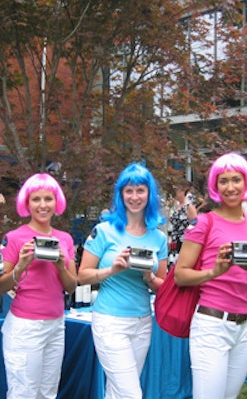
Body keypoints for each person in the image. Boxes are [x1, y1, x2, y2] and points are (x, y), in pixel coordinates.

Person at [174, 152, 247, 399]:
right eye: (223, 181)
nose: (230, 187)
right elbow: (180, 276)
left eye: (236, 180)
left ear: (246, 182)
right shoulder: (205, 223)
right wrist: (214, 271)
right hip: (211, 324)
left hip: (244, 326)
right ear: (215, 186)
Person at [78, 163, 168, 399]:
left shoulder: (158, 237)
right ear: (120, 194)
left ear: (149, 194)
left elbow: (164, 286)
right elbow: (82, 275)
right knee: (131, 394)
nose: (134, 197)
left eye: (140, 190)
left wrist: (149, 278)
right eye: (129, 191)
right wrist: (112, 269)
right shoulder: (104, 231)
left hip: (142, 322)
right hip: (110, 321)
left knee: (118, 392)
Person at [0, 173, 77, 399]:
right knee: (23, 392)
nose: (43, 205)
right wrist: (20, 266)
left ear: (56, 202)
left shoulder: (65, 239)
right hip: (25, 326)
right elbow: (0, 287)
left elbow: (71, 286)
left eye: (48, 199)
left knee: (48, 393)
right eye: (36, 199)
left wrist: (61, 265)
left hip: (56, 324)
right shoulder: (14, 238)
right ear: (27, 203)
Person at [169, 183, 198, 253]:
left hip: (184, 240)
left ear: (182, 192)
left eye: (176, 191)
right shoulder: (177, 206)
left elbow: (195, 223)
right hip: (175, 239)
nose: (175, 194)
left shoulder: (189, 207)